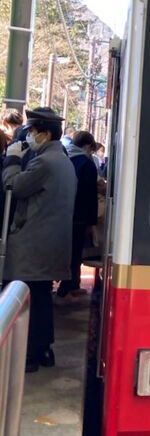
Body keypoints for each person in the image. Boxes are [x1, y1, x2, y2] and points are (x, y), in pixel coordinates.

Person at [2, 106, 77, 372]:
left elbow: (13, 186)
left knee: (25, 299)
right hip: (50, 241)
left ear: (44, 134)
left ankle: (30, 354)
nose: (30, 136)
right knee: (41, 297)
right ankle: (43, 350)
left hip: (33, 242)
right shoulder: (62, 160)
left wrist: (11, 160)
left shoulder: (44, 162)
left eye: (33, 131)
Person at [57, 131, 98, 298]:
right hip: (79, 216)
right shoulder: (86, 164)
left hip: (62, 213)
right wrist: (91, 220)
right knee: (75, 253)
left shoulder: (65, 159)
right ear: (87, 146)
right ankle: (68, 286)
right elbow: (90, 194)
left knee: (65, 251)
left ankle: (67, 284)